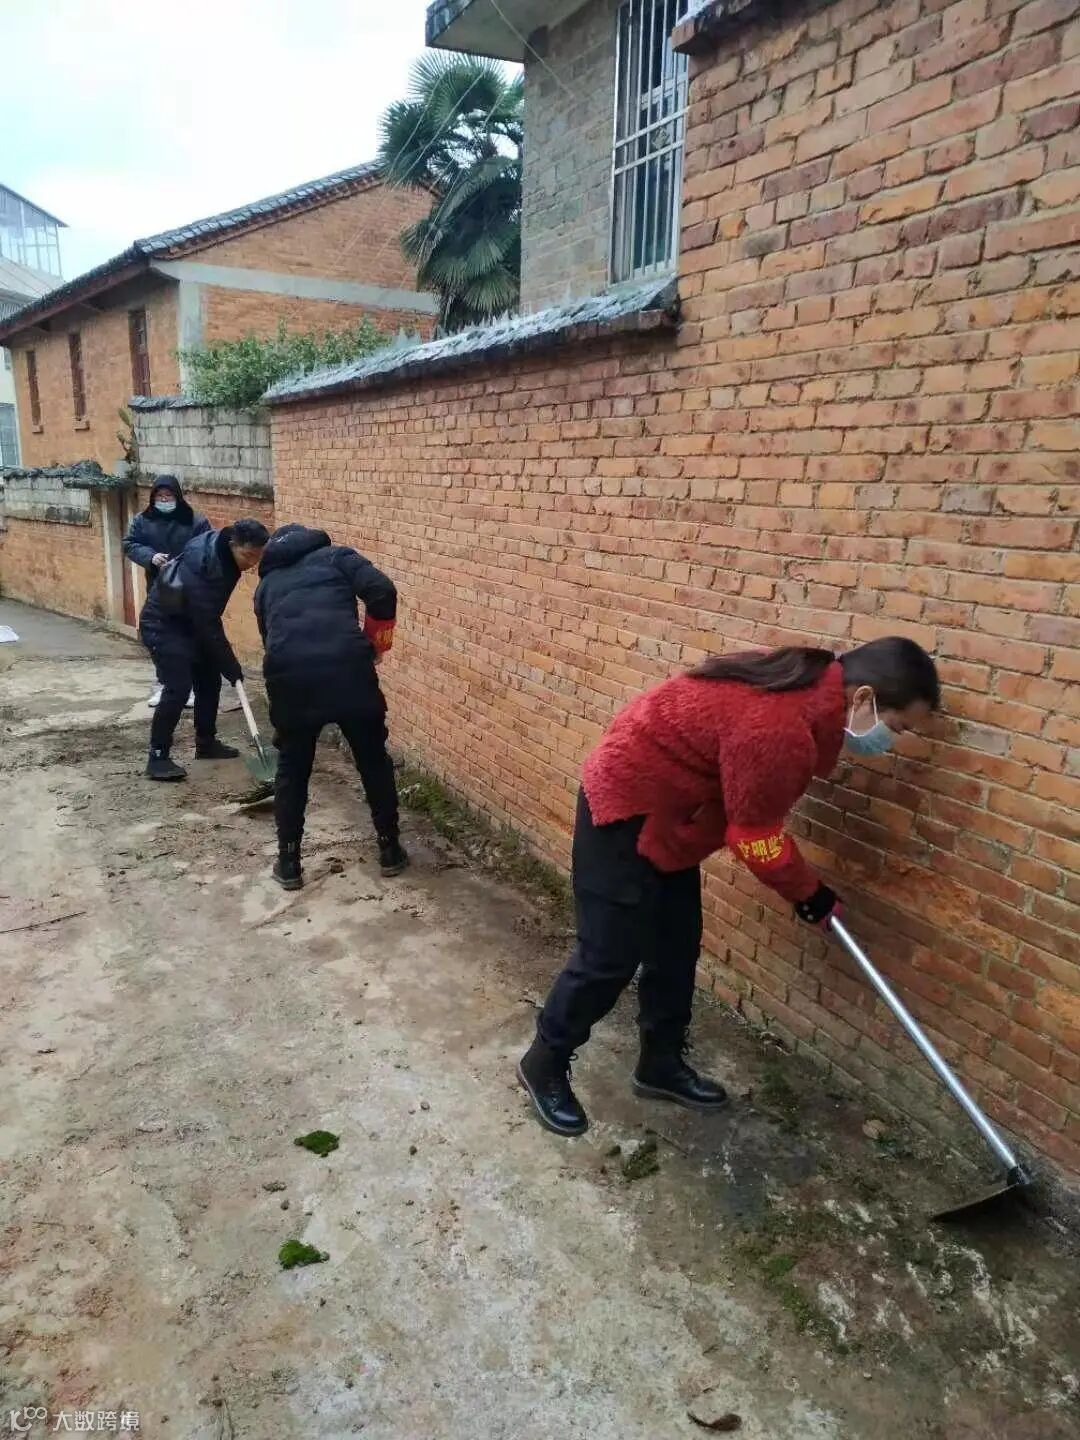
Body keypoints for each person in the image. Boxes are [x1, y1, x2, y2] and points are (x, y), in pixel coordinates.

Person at [517, 637, 941, 1138]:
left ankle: (660, 1064)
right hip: (624, 809)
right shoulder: (781, 725)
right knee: (608, 956)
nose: (891, 740)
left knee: (676, 947)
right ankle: (544, 1061)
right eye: (897, 726)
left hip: (676, 819)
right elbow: (754, 836)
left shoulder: (804, 688)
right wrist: (811, 895)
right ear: (864, 697)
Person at [253, 524, 407, 890]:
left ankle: (289, 862)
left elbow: (269, 639)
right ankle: (390, 849)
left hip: (291, 678)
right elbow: (382, 590)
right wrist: (376, 643)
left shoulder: (266, 586)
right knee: (372, 760)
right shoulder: (337, 557)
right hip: (348, 670)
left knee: (293, 769)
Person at [139, 518, 269, 781]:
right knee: (178, 688)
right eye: (248, 556)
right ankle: (158, 757)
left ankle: (206, 743)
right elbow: (207, 621)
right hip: (164, 624)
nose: (252, 563)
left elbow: (205, 621)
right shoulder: (204, 564)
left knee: (209, 681)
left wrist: (224, 665)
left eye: (257, 557)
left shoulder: (224, 553)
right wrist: (231, 665)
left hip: (192, 623)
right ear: (233, 544)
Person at [122, 476, 210, 709]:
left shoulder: (195, 521)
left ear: (177, 497)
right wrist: (150, 557)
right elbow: (130, 544)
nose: (164, 500)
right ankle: (164, 684)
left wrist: (185, 564)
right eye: (159, 496)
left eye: (168, 496)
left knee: (188, 635)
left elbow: (207, 547)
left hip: (189, 587)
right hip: (158, 587)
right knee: (159, 637)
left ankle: (190, 686)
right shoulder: (143, 521)